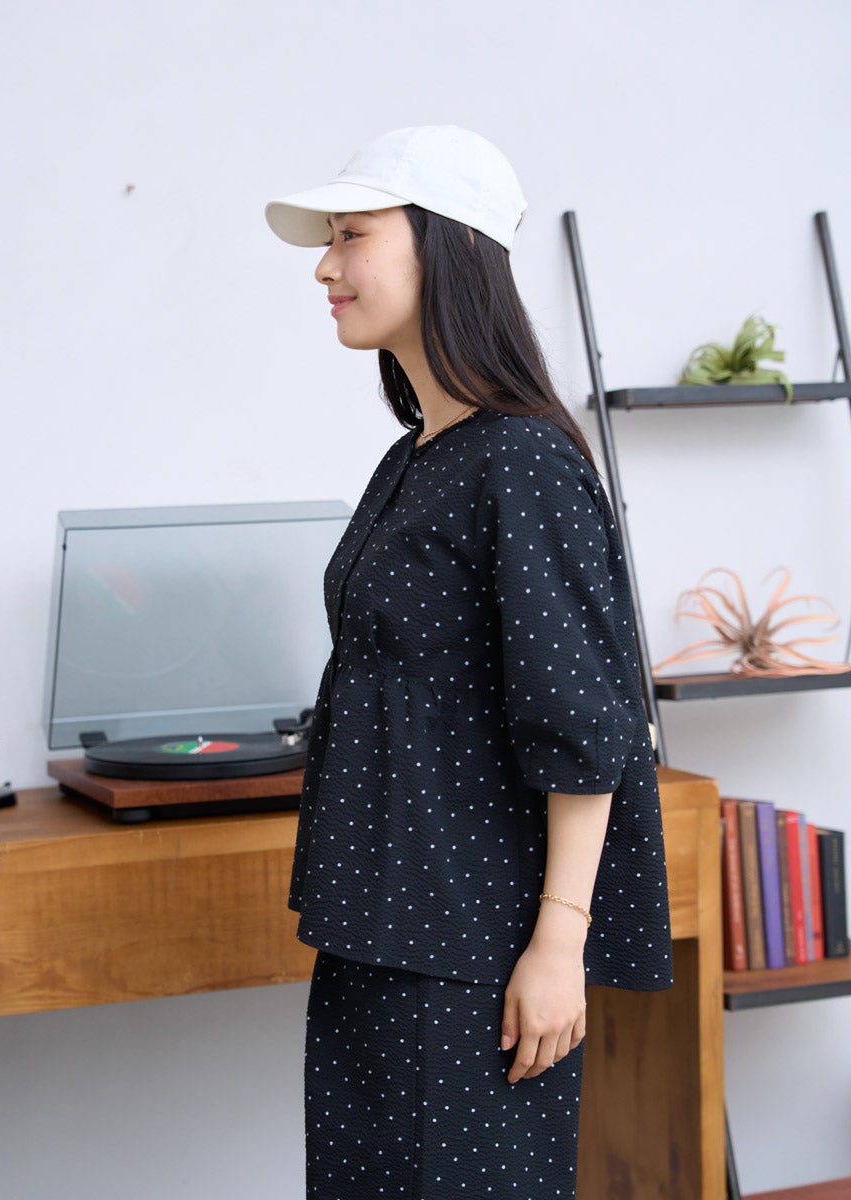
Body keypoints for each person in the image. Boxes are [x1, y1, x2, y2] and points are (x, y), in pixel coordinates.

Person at [265, 125, 671, 1200]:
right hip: (379, 933)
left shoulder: (522, 459)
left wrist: (558, 947)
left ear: (443, 248)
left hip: (471, 954)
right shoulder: (417, 456)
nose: (325, 266)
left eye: (352, 235)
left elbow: (584, 725)